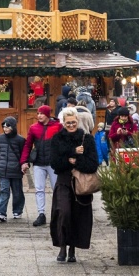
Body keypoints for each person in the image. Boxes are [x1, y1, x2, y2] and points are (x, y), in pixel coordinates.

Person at [50, 107, 99, 263]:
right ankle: (62, 246)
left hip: (81, 185)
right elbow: (55, 163)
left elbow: (92, 164)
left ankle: (72, 249)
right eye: (68, 123)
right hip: (64, 181)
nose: (70, 125)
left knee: (78, 216)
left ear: (78, 122)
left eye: (73, 122)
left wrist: (76, 161)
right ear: (63, 123)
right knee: (63, 212)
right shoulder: (57, 139)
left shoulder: (87, 139)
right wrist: (71, 154)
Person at [20, 105, 62, 227]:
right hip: (38, 163)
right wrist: (24, 161)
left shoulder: (58, 127)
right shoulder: (33, 128)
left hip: (53, 163)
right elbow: (28, 145)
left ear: (47, 115)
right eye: (38, 113)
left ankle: (58, 212)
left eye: (41, 113)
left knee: (57, 189)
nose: (39, 116)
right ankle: (41, 213)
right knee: (39, 189)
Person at [0, 116, 26, 222]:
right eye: (4, 126)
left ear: (13, 127)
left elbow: (24, 154)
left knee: (17, 191)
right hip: (3, 170)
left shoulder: (20, 140)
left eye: (8, 126)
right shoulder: (0, 138)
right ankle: (1, 212)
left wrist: (23, 164)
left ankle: (17, 210)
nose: (5, 129)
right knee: (4, 191)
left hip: (15, 170)